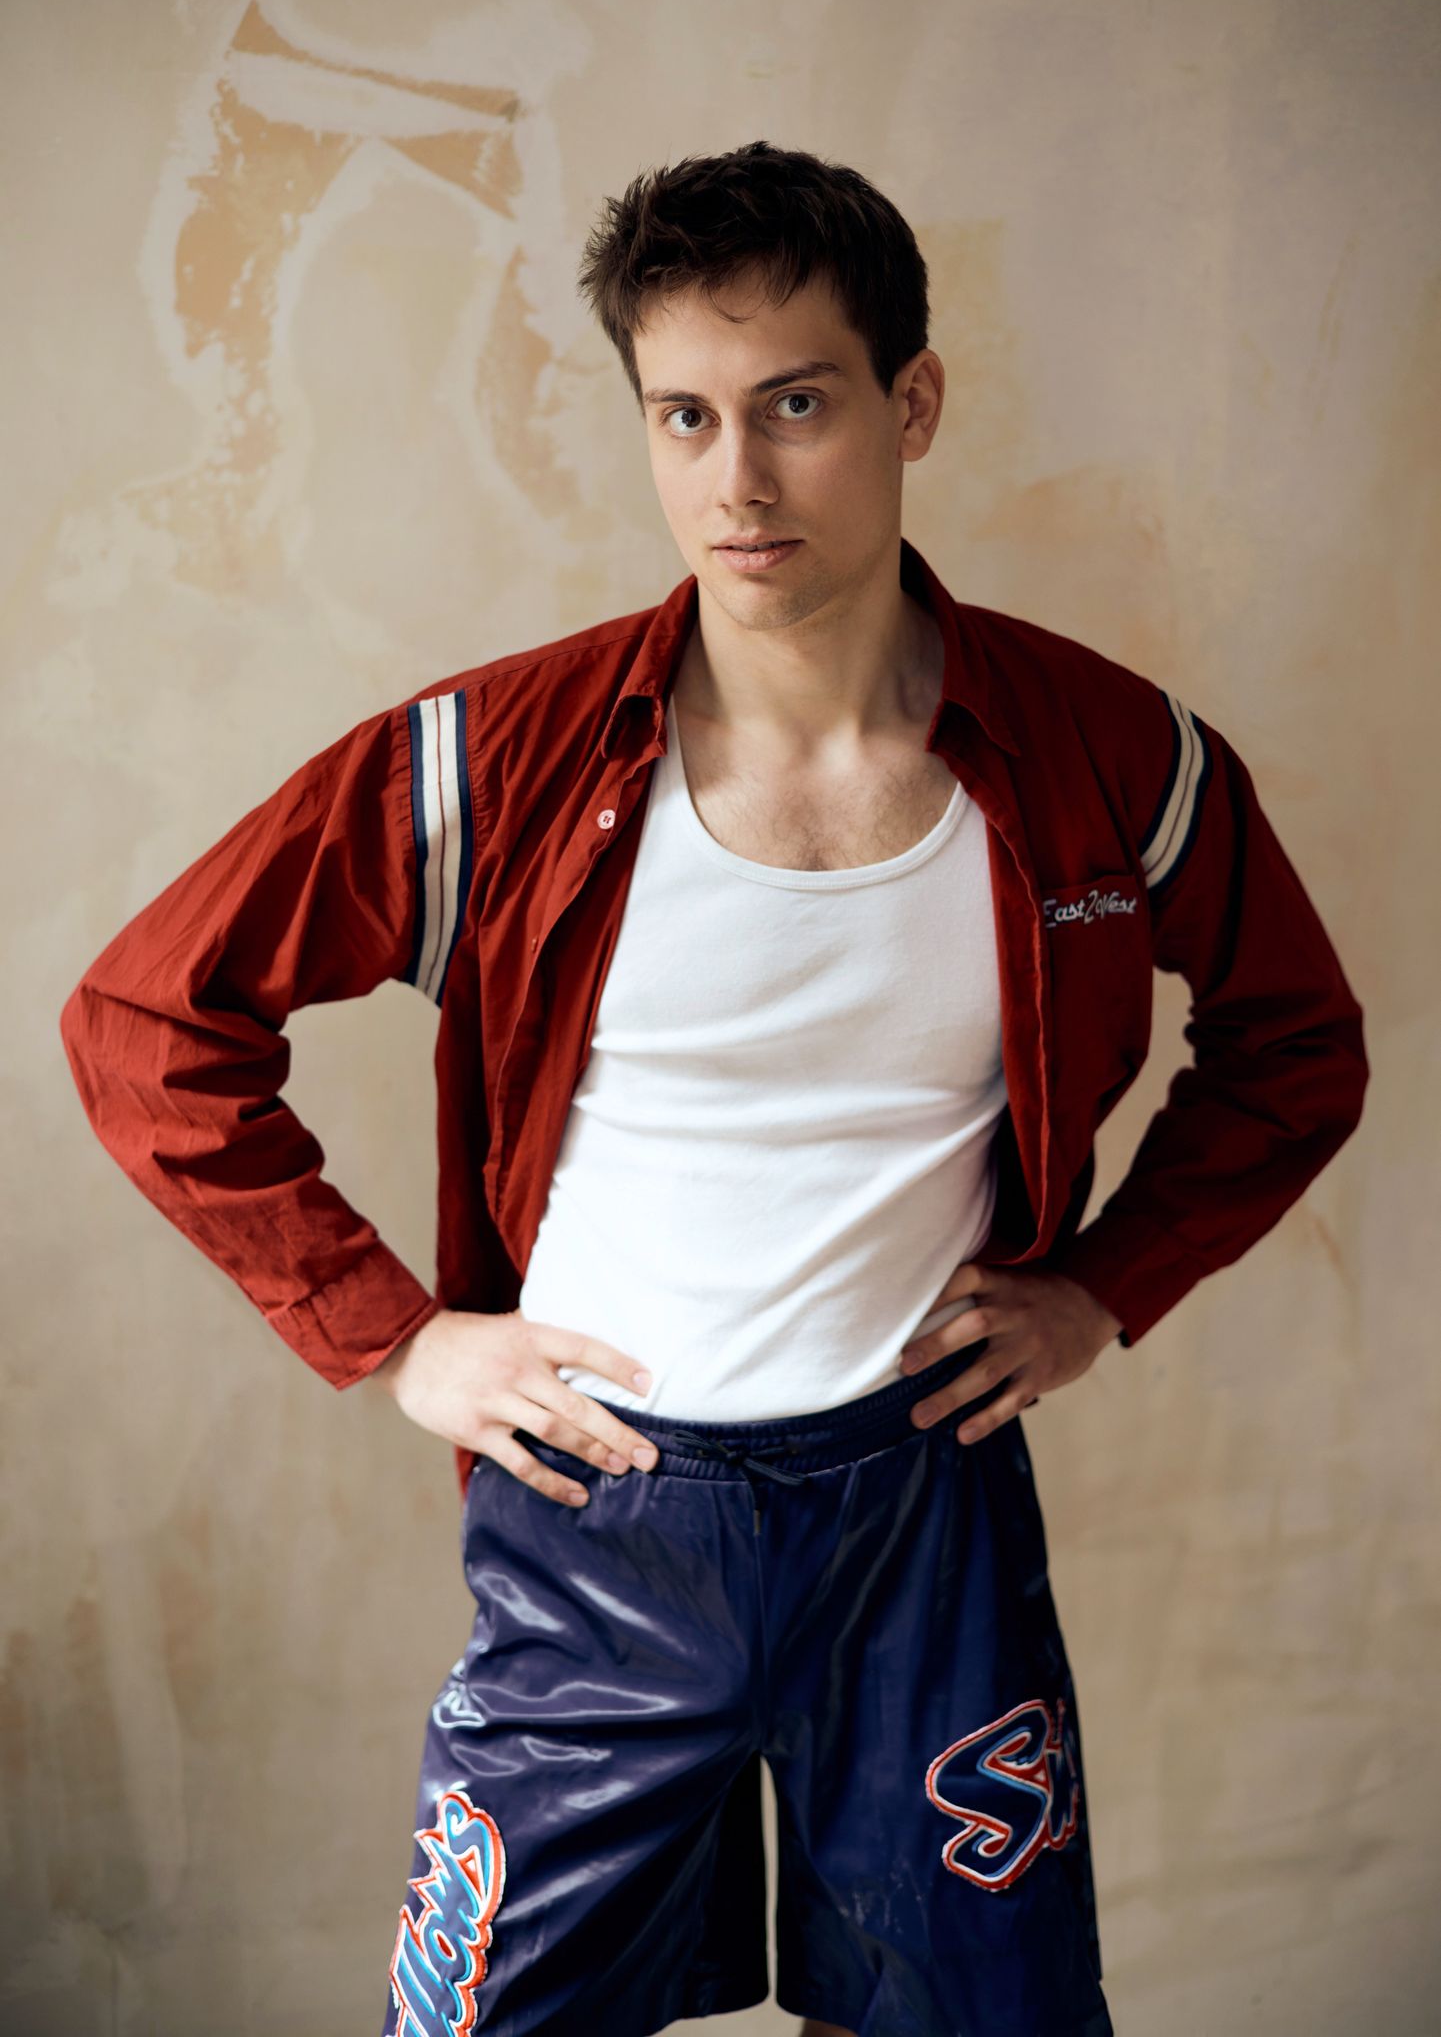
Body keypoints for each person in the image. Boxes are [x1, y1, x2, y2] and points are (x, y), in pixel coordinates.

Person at [60, 140, 1369, 2037]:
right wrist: (396, 1337)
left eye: (796, 406)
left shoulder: (1103, 754)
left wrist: (1100, 1292)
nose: (735, 480)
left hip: (921, 1515)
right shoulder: (492, 763)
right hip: (604, 1526)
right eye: (683, 416)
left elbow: (1294, 1045)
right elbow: (147, 1021)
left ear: (912, 403)